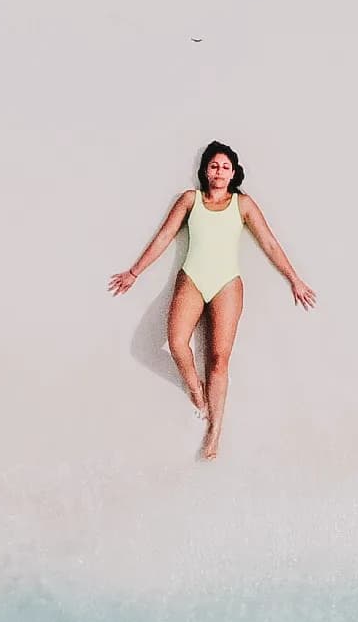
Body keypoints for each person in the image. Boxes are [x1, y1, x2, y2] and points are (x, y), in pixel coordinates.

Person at [108, 143, 316, 459]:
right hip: (192, 277)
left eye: (225, 167)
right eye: (214, 166)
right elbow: (164, 236)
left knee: (219, 359)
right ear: (205, 169)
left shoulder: (242, 204)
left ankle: (214, 434)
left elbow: (269, 243)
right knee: (177, 343)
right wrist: (135, 272)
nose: (219, 172)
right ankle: (196, 391)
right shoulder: (190, 200)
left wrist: (294, 278)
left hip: (227, 284)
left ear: (234, 173)